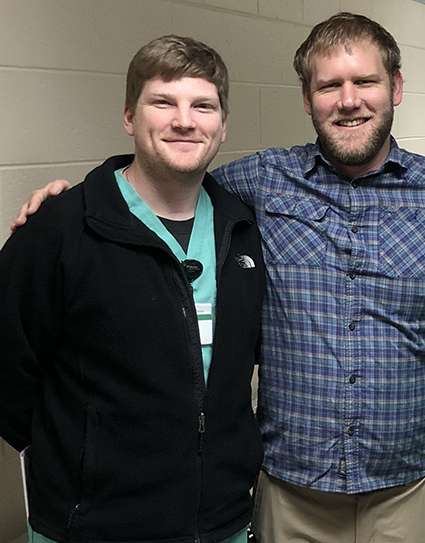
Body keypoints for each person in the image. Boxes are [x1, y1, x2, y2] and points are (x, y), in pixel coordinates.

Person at [9, 14, 425, 543]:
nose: (349, 100)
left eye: (365, 82)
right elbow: (167, 172)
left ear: (395, 88)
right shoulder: (254, 185)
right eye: (328, 85)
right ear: (307, 99)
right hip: (286, 498)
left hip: (404, 495)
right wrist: (77, 201)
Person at [0, 35, 265, 543]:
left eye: (202, 105)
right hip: (93, 526)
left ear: (224, 124)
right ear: (129, 116)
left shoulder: (244, 231)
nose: (184, 120)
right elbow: (8, 372)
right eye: (162, 101)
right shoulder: (61, 229)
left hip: (221, 521)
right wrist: (78, 456)